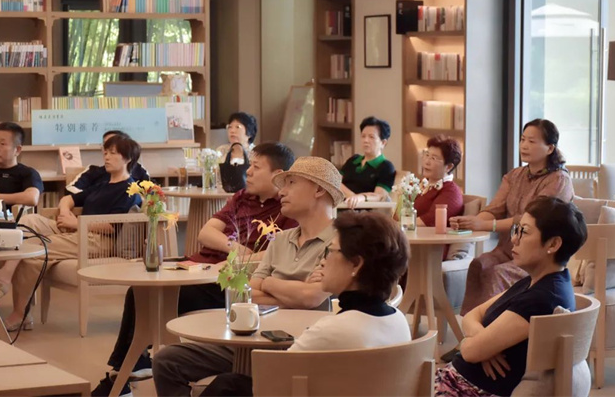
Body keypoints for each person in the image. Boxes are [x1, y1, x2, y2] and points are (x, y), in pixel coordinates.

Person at [91, 142, 298, 397]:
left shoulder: (287, 208)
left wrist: (240, 261)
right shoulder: (242, 197)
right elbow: (205, 233)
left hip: (223, 281)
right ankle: (130, 368)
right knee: (139, 290)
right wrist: (236, 249)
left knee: (145, 294)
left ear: (278, 175)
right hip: (200, 267)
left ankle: (124, 374)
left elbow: (277, 252)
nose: (249, 171)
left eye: (256, 167)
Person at [150, 156, 344, 397]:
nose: (282, 191)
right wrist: (291, 292)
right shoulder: (281, 239)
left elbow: (311, 298)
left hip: (299, 350)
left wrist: (268, 283)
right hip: (250, 340)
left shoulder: (342, 241)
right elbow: (248, 293)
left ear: (319, 190)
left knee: (226, 387)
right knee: (166, 360)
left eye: (291, 183)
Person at [200, 211, 412, 396]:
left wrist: (268, 282)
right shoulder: (399, 321)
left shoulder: (332, 330)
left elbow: (273, 381)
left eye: (331, 252)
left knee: (227, 385)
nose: (323, 261)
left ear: (356, 264)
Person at [435, 196, 587, 397]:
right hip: (458, 383)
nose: (514, 239)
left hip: (467, 390)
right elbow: (472, 314)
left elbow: (471, 351)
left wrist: (473, 345)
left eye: (524, 232)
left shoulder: (542, 299)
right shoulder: (537, 281)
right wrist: (484, 345)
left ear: (553, 244)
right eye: (517, 229)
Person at [0, 135, 143, 331]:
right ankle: (11, 287)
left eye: (113, 153)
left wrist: (76, 223)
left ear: (128, 159)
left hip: (98, 240)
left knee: (35, 247)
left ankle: (14, 300)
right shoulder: (102, 184)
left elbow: (113, 226)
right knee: (28, 221)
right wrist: (65, 212)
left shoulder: (130, 190)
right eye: (105, 152)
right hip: (76, 228)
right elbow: (69, 199)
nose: (106, 157)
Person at [450, 119, 574, 314]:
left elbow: (529, 220)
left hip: (538, 257)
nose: (524, 145)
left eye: (532, 141)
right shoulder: (515, 175)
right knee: (478, 265)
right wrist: (473, 221)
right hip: (508, 249)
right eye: (523, 139)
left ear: (550, 148)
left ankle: (491, 327)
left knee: (498, 274)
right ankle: (470, 326)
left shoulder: (559, 180)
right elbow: (495, 208)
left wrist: (485, 225)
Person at [0, 122, 43, 209]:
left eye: (2, 144)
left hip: (9, 217)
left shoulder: (28, 173)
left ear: (17, 150)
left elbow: (32, 198)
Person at [66, 130, 149, 194]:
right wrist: (97, 197)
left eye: (112, 149)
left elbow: (151, 192)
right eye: (105, 145)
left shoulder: (139, 170)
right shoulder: (93, 171)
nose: (106, 151)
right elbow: (71, 190)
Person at [340, 116, 396, 208]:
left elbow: (379, 196)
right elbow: (335, 182)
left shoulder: (386, 166)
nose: (366, 140)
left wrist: (360, 197)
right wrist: (352, 195)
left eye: (371, 137)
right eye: (363, 136)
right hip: (338, 206)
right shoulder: (353, 160)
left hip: (363, 212)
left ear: (383, 143)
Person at [413, 135, 463, 227]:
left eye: (433, 158)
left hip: (426, 236)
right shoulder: (421, 185)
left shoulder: (451, 192)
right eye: (427, 155)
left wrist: (399, 225)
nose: (427, 162)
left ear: (448, 167)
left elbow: (430, 221)